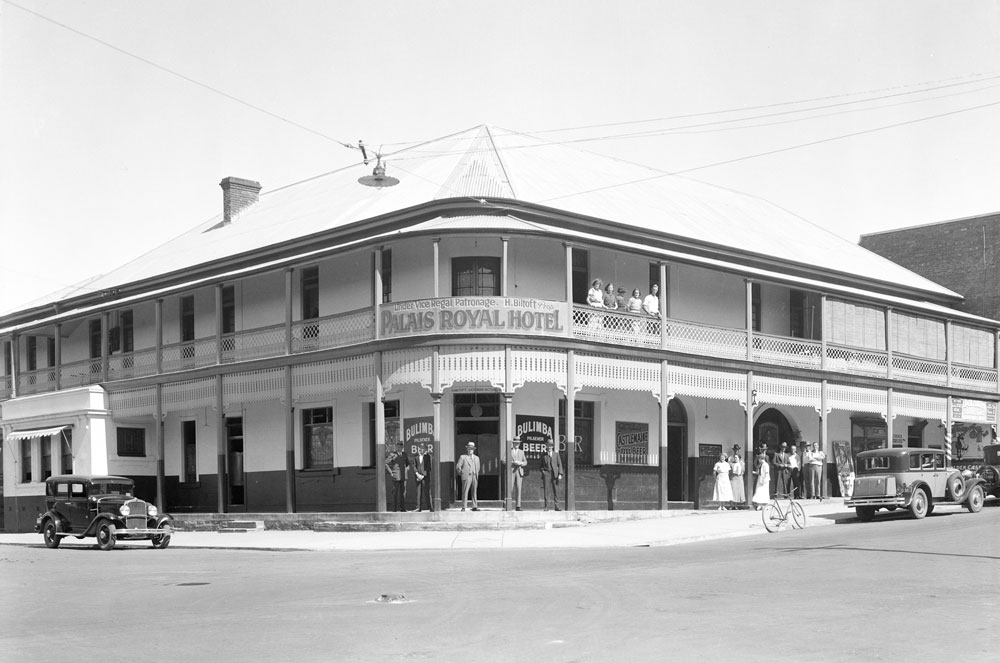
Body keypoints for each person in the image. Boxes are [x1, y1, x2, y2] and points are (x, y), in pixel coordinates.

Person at [456, 441, 481, 511]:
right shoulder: (463, 457)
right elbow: (458, 467)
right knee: (465, 491)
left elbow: (478, 467)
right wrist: (462, 473)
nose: (470, 450)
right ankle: (464, 506)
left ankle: (474, 506)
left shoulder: (477, 458)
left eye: (472, 449)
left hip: (474, 476)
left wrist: (476, 473)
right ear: (467, 449)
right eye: (469, 449)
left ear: (474, 450)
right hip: (467, 476)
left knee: (474, 491)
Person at [385, 442, 409, 512]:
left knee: (403, 493)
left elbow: (407, 463)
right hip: (396, 476)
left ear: (402, 447)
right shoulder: (393, 454)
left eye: (401, 446)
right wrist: (390, 472)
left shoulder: (405, 454)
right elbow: (386, 462)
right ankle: (394, 508)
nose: (400, 448)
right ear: (396, 447)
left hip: (403, 476)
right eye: (398, 446)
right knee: (395, 493)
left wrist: (407, 469)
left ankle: (403, 508)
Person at [539, 440, 563, 511]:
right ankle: (547, 506)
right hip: (547, 474)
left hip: (555, 475)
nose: (549, 447)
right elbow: (540, 466)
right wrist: (543, 472)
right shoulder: (543, 455)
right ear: (546, 446)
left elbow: (560, 464)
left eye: (551, 446)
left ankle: (557, 506)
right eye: (548, 445)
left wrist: (560, 474)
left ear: (552, 446)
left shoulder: (556, 454)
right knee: (546, 490)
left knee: (556, 490)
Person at [413, 443, 432, 512]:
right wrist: (417, 474)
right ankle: (418, 507)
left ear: (425, 449)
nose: (421, 450)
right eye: (420, 448)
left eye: (423, 448)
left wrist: (423, 475)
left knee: (427, 492)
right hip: (418, 476)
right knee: (418, 493)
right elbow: (414, 466)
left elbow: (428, 467)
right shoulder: (416, 456)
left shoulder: (428, 456)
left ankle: (430, 507)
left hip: (425, 477)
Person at [509, 439, 527, 511]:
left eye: (518, 443)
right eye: (515, 443)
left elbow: (525, 462)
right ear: (513, 443)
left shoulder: (521, 452)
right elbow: (504, 461)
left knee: (519, 489)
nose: (517, 444)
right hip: (511, 471)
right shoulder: (509, 451)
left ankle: (518, 506)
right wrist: (513, 462)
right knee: (510, 488)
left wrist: (521, 463)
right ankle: (508, 505)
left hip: (519, 472)